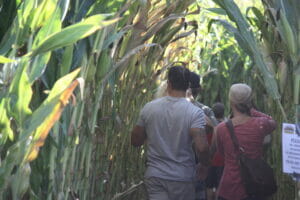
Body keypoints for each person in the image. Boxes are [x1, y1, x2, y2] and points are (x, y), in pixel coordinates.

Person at [131, 66, 210, 200]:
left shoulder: (149, 108)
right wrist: (204, 165)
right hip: (182, 177)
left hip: (155, 176)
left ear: (169, 84)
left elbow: (136, 141)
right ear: (188, 86)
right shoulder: (194, 112)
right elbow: (202, 147)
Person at [216, 83, 276, 200]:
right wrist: (252, 110)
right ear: (250, 101)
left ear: (231, 102)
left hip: (228, 190)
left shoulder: (221, 128)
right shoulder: (261, 124)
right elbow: (272, 122)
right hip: (255, 187)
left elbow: (222, 153)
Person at [205, 102, 225, 200]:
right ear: (223, 112)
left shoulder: (208, 126)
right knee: (218, 187)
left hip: (209, 160)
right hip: (222, 161)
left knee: (209, 186)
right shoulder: (226, 126)